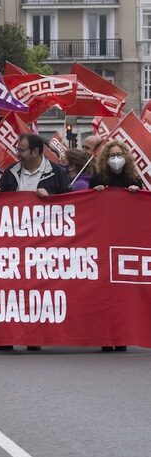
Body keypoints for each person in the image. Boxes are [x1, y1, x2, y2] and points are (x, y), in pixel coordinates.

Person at [0, 134, 69, 351]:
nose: (17, 153)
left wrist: (52, 195)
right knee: (11, 290)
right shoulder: (10, 172)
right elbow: (0, 201)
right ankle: (8, 336)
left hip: (44, 242)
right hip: (14, 242)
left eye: (22, 150)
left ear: (36, 152)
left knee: (39, 289)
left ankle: (34, 335)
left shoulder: (56, 173)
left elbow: (70, 200)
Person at [90, 139, 143, 352]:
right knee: (104, 294)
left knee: (123, 295)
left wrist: (135, 195)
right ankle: (105, 336)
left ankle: (121, 337)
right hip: (102, 242)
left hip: (125, 243)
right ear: (105, 158)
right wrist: (96, 193)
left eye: (118, 155)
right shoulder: (98, 179)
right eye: (111, 155)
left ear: (126, 157)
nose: (115, 159)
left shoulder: (134, 179)